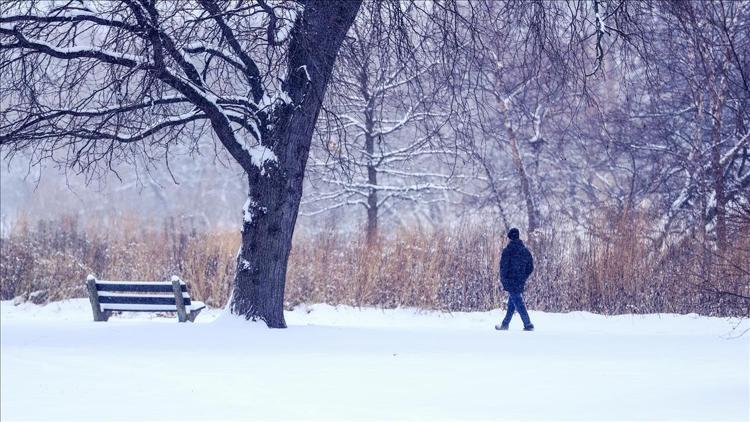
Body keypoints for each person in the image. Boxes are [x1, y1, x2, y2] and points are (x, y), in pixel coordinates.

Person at [496, 228, 535, 331]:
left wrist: (504, 280)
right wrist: (524, 276)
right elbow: (530, 267)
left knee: (518, 302)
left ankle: (528, 324)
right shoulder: (525, 251)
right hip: (520, 281)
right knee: (512, 303)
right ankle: (505, 324)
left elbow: (503, 268)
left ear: (509, 238)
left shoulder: (507, 251)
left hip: (510, 281)